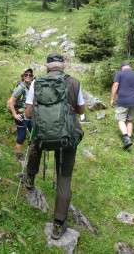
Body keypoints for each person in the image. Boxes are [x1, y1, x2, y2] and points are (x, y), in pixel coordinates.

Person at [23, 53, 85, 240]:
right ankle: (58, 224)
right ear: (63, 66)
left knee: (36, 144)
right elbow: (81, 111)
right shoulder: (74, 83)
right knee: (64, 177)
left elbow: (27, 114)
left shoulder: (37, 82)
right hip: (67, 136)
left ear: (47, 67)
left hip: (43, 134)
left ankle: (30, 177)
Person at [110, 62, 134, 150]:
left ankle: (125, 138)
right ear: (130, 67)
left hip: (123, 100)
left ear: (122, 67)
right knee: (129, 120)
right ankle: (129, 138)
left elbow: (115, 86)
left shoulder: (120, 73)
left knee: (120, 120)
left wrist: (112, 99)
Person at [7, 68, 33, 161]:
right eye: (26, 75)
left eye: (30, 75)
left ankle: (31, 154)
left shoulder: (30, 86)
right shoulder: (20, 87)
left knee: (32, 134)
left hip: (29, 115)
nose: (28, 76)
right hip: (21, 116)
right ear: (22, 76)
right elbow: (11, 101)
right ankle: (18, 155)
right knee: (22, 135)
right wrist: (15, 115)